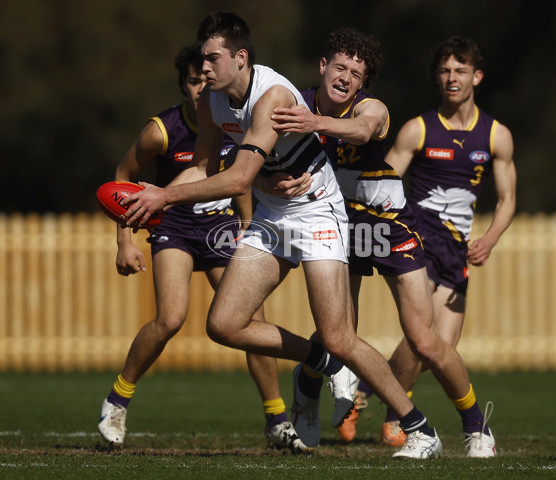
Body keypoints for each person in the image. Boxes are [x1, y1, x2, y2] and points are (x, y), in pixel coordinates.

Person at [122, 11, 442, 459]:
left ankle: (419, 427)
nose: (204, 69)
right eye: (201, 60)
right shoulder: (211, 101)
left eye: (212, 59)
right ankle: (318, 363)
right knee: (224, 324)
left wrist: (162, 199)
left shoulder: (271, 95)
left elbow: (236, 181)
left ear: (241, 57)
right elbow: (200, 167)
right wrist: (150, 198)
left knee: (338, 335)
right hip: (274, 213)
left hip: (318, 213)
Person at [270, 28, 498, 458]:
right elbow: (254, 153)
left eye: (357, 73)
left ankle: (476, 427)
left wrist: (314, 124)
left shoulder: (370, 108)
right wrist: (273, 178)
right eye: (340, 67)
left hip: (387, 223)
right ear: (323, 67)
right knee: (337, 334)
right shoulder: (290, 102)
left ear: (363, 83)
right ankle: (308, 384)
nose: (346, 78)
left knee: (424, 340)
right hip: (335, 225)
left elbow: (362, 130)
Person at [97, 43, 307, 452]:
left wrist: (249, 229)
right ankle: (117, 401)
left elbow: (242, 182)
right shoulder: (162, 129)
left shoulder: (235, 119)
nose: (200, 87)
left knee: (248, 319)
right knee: (171, 318)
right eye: (193, 81)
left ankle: (277, 420)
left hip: (220, 226)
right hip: (173, 223)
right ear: (184, 87)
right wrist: (124, 240)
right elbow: (123, 175)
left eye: (204, 79)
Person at [340, 35, 516, 457]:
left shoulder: (496, 135)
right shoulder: (418, 128)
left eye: (460, 70)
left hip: (456, 250)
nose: (451, 78)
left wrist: (489, 240)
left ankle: (374, 389)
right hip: (418, 237)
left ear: (477, 76)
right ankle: (439, 424)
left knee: (440, 347)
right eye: (444, 71)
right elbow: (381, 180)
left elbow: (508, 199)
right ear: (436, 78)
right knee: (424, 339)